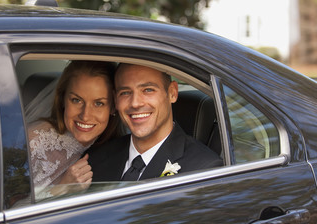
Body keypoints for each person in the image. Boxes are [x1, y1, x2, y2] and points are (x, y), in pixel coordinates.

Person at [88, 64, 223, 181]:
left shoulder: (203, 169)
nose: (135, 103)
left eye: (148, 90)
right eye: (125, 92)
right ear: (115, 99)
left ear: (172, 93)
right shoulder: (97, 158)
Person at [27, 60, 123, 198]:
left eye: (99, 103)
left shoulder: (121, 149)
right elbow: (5, 210)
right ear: (62, 99)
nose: (85, 115)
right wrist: (63, 188)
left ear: (113, 107)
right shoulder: (33, 142)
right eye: (76, 100)